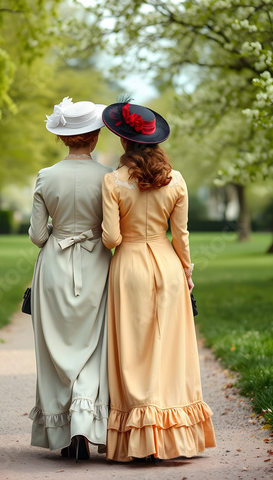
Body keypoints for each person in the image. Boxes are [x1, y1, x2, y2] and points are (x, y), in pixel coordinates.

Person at [101, 101, 216, 462]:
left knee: (133, 352)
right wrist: (187, 272)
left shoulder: (113, 181)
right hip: (167, 267)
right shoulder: (175, 179)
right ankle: (172, 434)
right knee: (169, 349)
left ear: (124, 142)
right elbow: (180, 236)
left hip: (129, 267)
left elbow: (110, 238)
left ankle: (137, 436)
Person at [28, 97, 112, 461]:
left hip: (54, 265)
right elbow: (112, 230)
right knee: (94, 346)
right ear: (94, 137)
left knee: (55, 348)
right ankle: (87, 423)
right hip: (98, 266)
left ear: (64, 138)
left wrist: (58, 233)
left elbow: (36, 235)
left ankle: (63, 431)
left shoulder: (46, 176)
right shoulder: (108, 176)